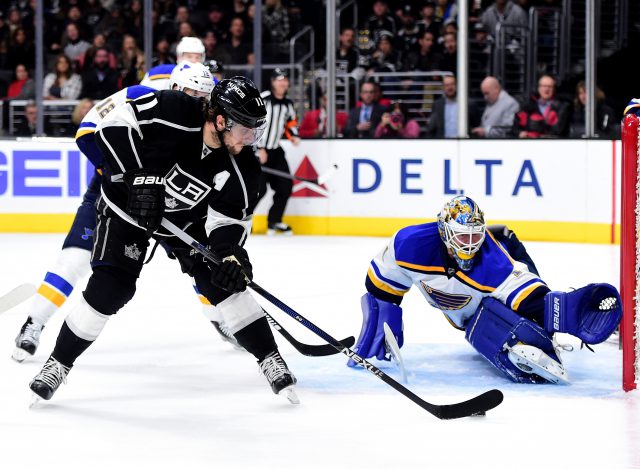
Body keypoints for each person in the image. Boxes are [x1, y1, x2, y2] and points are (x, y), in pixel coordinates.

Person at [28, 76, 299, 404]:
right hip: (126, 209)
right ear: (220, 120)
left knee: (224, 283)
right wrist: (140, 177)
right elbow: (113, 126)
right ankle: (58, 363)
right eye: (245, 129)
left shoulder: (243, 165)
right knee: (111, 287)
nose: (251, 138)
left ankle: (270, 358)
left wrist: (230, 254)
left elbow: (230, 220)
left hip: (185, 225)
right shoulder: (173, 109)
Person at [12, 63, 216, 362]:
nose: (197, 101)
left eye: (203, 96)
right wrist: (119, 175)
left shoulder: (208, 115)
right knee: (75, 258)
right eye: (192, 93)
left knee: (199, 258)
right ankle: (34, 323)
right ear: (175, 85)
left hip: (171, 198)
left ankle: (221, 315)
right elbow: (86, 131)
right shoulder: (146, 92)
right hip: (116, 193)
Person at [348, 196, 621, 384]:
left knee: (526, 324)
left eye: (475, 236)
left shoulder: (493, 263)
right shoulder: (409, 245)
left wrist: (565, 311)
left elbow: (530, 297)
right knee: (482, 319)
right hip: (467, 307)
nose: (469, 245)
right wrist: (383, 310)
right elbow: (381, 282)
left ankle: (546, 336)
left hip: (506, 257)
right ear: (444, 232)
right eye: (462, 236)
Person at [255, 68, 300, 235]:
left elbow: (291, 123)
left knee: (285, 186)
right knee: (259, 190)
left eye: (285, 80)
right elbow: (253, 123)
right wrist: (259, 148)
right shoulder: (263, 99)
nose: (282, 83)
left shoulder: (288, 103)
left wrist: (294, 136)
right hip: (258, 151)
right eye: (279, 79)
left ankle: (274, 221)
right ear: (272, 82)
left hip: (275, 150)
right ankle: (242, 220)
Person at [514, 74, 571, 138]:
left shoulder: (563, 106)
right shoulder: (528, 105)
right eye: (543, 86)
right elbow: (516, 128)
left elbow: (558, 130)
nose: (546, 89)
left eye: (550, 86)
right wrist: (520, 133)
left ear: (554, 89)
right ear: (538, 88)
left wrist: (538, 128)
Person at [140, 36, 205, 90]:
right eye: (189, 56)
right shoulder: (158, 74)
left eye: (197, 57)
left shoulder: (209, 81)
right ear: (179, 57)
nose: (194, 60)